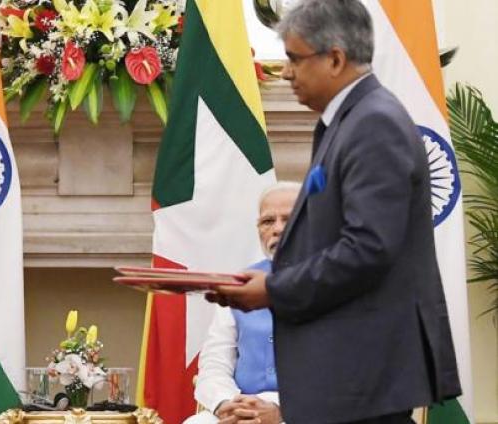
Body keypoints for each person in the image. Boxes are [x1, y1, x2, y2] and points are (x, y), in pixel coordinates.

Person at [211, 1, 462, 423]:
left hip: (365, 373)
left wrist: (273, 290)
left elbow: (368, 248)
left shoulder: (373, 123)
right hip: (349, 373)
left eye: (294, 59)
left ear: (335, 59)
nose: (286, 72)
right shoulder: (347, 121)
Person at [186, 182, 299, 424]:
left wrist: (280, 410)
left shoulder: (332, 282)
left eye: (288, 219)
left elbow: (342, 375)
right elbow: (214, 364)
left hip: (303, 412)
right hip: (241, 407)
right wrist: (227, 404)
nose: (277, 229)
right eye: (268, 221)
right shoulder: (240, 282)